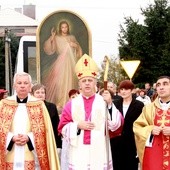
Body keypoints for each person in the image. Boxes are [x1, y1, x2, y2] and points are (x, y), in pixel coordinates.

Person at [58, 54, 122, 170]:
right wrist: (77, 125)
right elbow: (62, 128)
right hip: (78, 151)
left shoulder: (103, 102)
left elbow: (116, 126)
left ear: (95, 83)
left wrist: (109, 104)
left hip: (99, 149)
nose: (87, 83)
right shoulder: (71, 104)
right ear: (80, 85)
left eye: (90, 80)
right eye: (84, 81)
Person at [0, 72, 60, 169]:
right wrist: (12, 138)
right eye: (19, 83)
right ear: (14, 86)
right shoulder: (4, 104)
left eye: (25, 83)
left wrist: (29, 138)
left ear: (30, 86)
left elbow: (45, 131)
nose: (22, 86)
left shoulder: (39, 105)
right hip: (10, 153)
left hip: (31, 153)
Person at [43, 20, 83, 112]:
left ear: (68, 28)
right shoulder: (56, 37)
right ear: (60, 28)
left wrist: (74, 45)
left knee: (70, 80)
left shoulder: (71, 37)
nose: (64, 29)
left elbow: (78, 49)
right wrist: (52, 37)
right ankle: (60, 103)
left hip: (71, 62)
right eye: (62, 27)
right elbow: (50, 49)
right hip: (61, 62)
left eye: (66, 27)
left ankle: (70, 101)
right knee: (60, 82)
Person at [133, 76, 170, 170]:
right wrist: (150, 129)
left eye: (165, 84)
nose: (161, 87)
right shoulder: (148, 108)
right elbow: (137, 126)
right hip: (153, 154)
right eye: (158, 85)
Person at [111, 80, 144, 170]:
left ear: (132, 90)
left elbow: (142, 124)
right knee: (116, 165)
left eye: (126, 89)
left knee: (131, 165)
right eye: (121, 89)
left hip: (132, 142)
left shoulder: (139, 105)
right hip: (116, 142)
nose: (123, 91)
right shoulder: (115, 104)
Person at [31, 83, 62, 150]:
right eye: (37, 92)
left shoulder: (52, 107)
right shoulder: (28, 107)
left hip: (50, 140)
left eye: (42, 92)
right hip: (33, 142)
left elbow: (56, 126)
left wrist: (58, 145)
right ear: (32, 95)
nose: (40, 94)